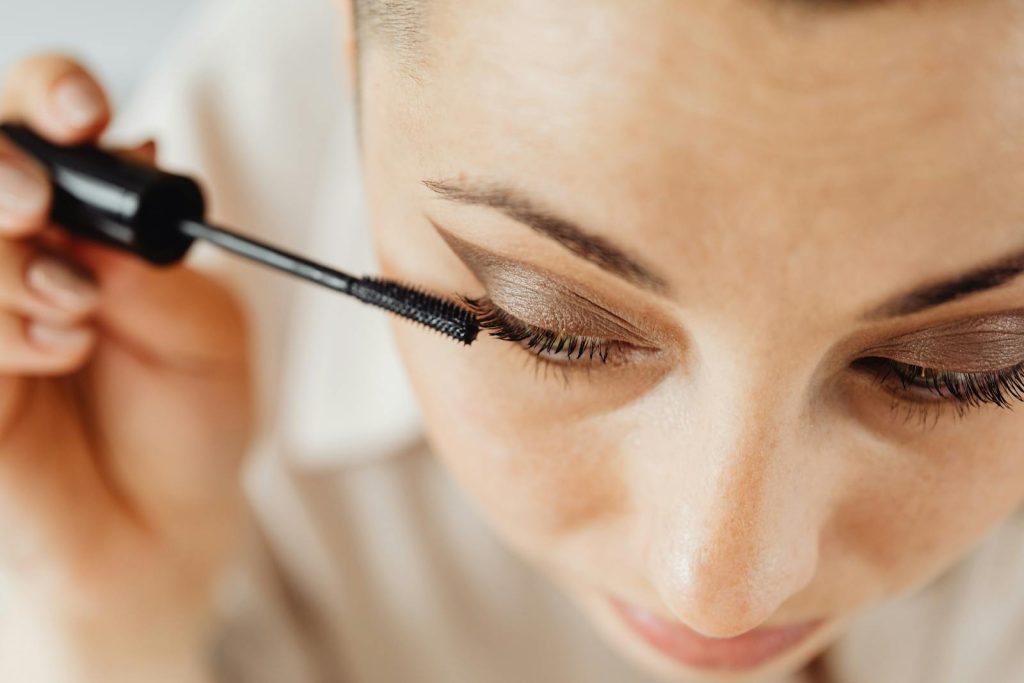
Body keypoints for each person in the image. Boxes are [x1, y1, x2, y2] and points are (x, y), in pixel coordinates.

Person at [1, 0, 1023, 681]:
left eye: (954, 368)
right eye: (555, 329)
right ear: (354, 68)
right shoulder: (199, 212)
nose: (715, 585)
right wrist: (106, 624)